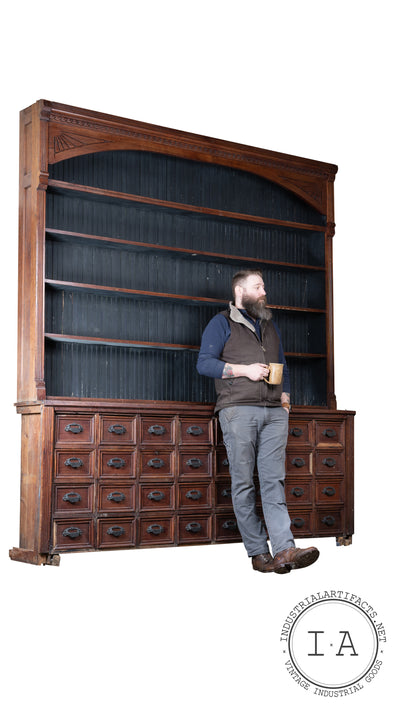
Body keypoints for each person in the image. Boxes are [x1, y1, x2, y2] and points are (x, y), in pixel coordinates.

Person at [197, 270, 319, 573]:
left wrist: (286, 403)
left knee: (273, 482)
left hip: (274, 413)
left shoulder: (268, 324)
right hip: (238, 410)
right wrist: (244, 370)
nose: (264, 291)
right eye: (258, 286)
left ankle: (284, 550)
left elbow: (283, 366)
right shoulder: (220, 322)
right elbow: (204, 364)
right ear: (241, 291)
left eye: (263, 286)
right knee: (243, 484)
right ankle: (257, 553)